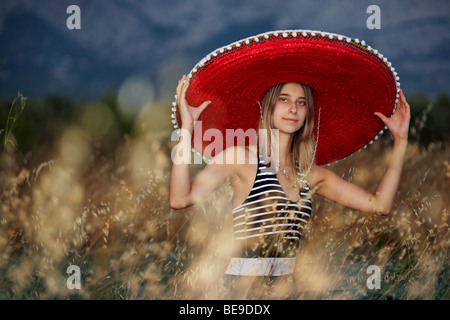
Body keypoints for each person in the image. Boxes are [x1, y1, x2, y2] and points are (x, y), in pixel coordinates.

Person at [168, 30, 410, 295]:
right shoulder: (241, 158)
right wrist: (187, 131)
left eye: (301, 102)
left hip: (289, 290)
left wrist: (400, 140)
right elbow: (180, 199)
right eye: (284, 99)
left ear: (308, 113)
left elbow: (379, 205)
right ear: (268, 106)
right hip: (242, 291)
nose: (293, 108)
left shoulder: (312, 176)